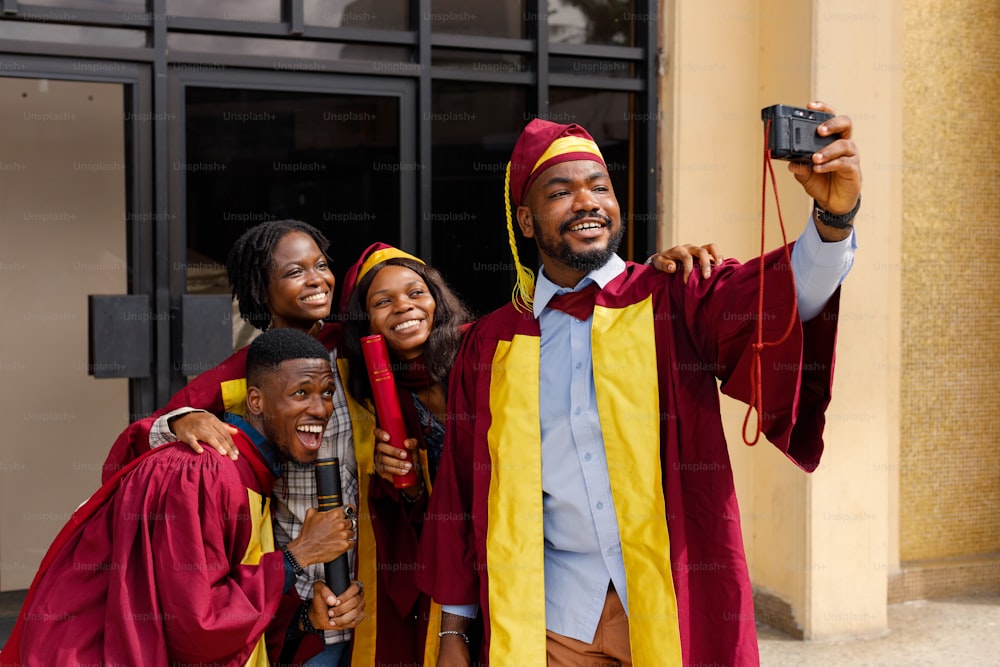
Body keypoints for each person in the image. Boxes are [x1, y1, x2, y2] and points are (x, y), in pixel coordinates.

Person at [417, 104, 860, 667]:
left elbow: (781, 302)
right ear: (525, 220)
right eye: (559, 192)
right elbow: (461, 487)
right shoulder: (491, 344)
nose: (586, 202)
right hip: (549, 621)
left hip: (672, 606)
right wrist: (454, 630)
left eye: (598, 187)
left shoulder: (673, 295)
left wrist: (834, 219)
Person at [0, 328, 364, 667]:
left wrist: (304, 618)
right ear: (255, 400)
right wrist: (301, 553)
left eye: (327, 393)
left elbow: (224, 596)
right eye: (301, 393)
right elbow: (194, 624)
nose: (320, 409)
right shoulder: (203, 471)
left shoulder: (251, 473)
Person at [101, 220, 362, 665]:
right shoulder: (239, 376)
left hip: (363, 582)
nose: (316, 279)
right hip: (291, 597)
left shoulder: (355, 353)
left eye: (320, 265)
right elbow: (140, 448)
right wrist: (184, 420)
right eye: (295, 271)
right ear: (261, 291)